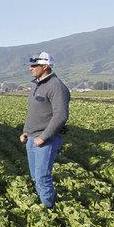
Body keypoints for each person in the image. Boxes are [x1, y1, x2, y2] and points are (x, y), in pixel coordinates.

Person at [19, 52, 70, 208]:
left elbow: (61, 116)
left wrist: (44, 137)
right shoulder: (35, 84)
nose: (30, 68)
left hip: (45, 140)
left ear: (45, 66)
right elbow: (33, 112)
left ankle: (49, 209)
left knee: (42, 177)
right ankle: (43, 204)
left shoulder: (56, 86)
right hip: (31, 138)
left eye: (34, 65)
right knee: (35, 176)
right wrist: (26, 131)